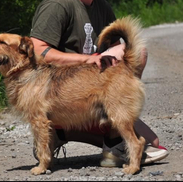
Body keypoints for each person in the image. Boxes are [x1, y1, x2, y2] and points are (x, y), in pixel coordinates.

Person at [30, 0, 169, 167]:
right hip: (62, 95)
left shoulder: (102, 6)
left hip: (95, 90)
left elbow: (122, 58)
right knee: (141, 139)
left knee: (153, 142)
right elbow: (36, 50)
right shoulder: (57, 5)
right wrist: (87, 59)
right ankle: (58, 131)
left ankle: (112, 139)